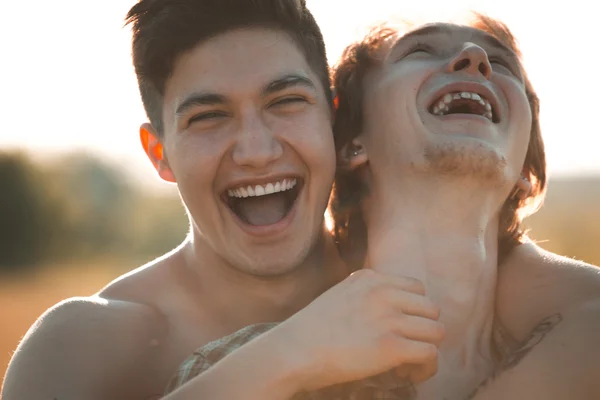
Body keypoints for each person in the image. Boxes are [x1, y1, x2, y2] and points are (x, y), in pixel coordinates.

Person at [1, 1, 444, 399]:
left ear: (332, 118)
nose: (257, 152)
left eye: (286, 101)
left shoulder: (434, 288)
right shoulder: (85, 344)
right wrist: (293, 352)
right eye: (209, 117)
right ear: (160, 153)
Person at [163, 14, 600, 400]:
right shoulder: (242, 374)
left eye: (500, 64)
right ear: (353, 143)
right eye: (421, 51)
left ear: (526, 168)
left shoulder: (580, 355)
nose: (473, 58)